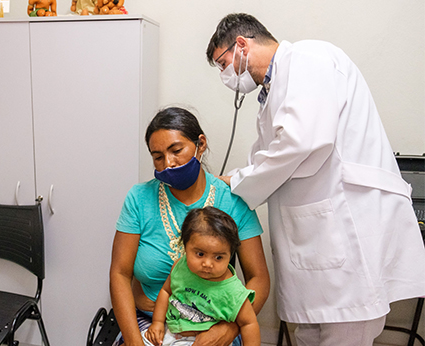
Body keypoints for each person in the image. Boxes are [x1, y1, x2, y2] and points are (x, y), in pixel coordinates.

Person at [206, 13, 425, 346]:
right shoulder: (272, 92)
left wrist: (237, 182)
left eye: (223, 63)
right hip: (317, 248)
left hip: (347, 233)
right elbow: (270, 154)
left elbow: (303, 141)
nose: (227, 75)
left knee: (346, 333)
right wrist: (235, 177)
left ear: (241, 45)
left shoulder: (307, 58)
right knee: (311, 334)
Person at [110, 107, 270, 346]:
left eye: (176, 151)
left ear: (200, 144)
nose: (168, 164)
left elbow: (259, 278)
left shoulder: (233, 200)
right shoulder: (139, 198)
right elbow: (120, 274)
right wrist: (134, 343)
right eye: (157, 156)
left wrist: (229, 329)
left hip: (214, 327)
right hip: (149, 321)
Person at [143, 207, 260, 346]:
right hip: (170, 331)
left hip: (204, 341)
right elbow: (166, 291)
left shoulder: (233, 291)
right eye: (200, 254)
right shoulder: (180, 266)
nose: (207, 264)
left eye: (218, 257)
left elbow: (249, 324)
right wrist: (157, 323)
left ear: (230, 255)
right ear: (185, 247)